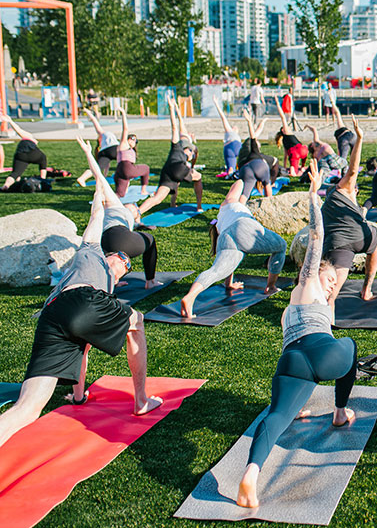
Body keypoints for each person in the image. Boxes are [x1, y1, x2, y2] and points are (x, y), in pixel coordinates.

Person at [0, 179, 162, 450]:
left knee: (28, 409)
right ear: (110, 254)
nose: (123, 262)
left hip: (55, 315)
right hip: (72, 302)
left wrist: (78, 398)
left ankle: (78, 396)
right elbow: (97, 216)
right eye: (122, 258)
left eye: (127, 265)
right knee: (138, 321)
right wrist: (99, 191)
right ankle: (141, 400)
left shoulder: (108, 292)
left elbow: (83, 348)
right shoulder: (90, 250)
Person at [236, 161, 357, 508]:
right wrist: (314, 193)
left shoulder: (294, 306)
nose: (333, 284)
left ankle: (251, 475)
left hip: (293, 359)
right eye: (330, 278)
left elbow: (306, 338)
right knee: (349, 346)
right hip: (322, 352)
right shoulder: (307, 283)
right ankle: (339, 410)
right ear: (315, 273)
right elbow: (317, 238)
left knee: (276, 416)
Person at [179, 178, 287, 318]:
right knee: (281, 246)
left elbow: (227, 267)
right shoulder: (229, 202)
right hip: (243, 225)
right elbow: (240, 183)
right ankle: (270, 286)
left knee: (217, 270)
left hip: (227, 237)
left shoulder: (221, 224)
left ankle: (190, 297)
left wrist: (229, 284)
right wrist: (245, 179)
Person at [75, 138, 161, 290]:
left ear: (135, 217)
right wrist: (88, 153)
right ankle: (150, 281)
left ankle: (113, 278)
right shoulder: (115, 204)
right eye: (135, 206)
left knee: (118, 257)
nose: (134, 206)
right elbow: (99, 177)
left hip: (105, 244)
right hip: (116, 238)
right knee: (150, 241)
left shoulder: (116, 210)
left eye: (136, 209)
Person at [321, 117, 377, 304]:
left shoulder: (334, 202)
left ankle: (327, 311)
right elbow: (353, 170)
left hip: (338, 245)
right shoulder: (343, 189)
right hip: (355, 239)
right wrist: (360, 138)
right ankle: (366, 288)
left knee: (332, 295)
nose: (356, 188)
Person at [138, 94, 203, 215]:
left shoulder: (177, 147)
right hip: (179, 168)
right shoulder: (180, 142)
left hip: (167, 171)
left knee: (158, 198)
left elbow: (176, 125)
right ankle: (199, 206)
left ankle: (137, 212)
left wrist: (174, 108)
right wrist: (172, 108)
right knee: (198, 177)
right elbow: (175, 126)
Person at [1, 114, 47, 191]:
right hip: (33, 153)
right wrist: (10, 121)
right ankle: (42, 180)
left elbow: (18, 130)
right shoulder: (30, 137)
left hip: (21, 154)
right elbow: (19, 130)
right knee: (43, 159)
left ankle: (6, 185)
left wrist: (10, 121)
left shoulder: (27, 138)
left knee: (15, 173)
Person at [111, 110, 150, 198]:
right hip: (125, 168)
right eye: (131, 138)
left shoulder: (129, 149)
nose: (133, 141)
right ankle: (143, 190)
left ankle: (104, 200)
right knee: (146, 168)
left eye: (135, 140)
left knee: (120, 194)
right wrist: (124, 114)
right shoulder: (123, 145)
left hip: (120, 172)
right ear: (127, 139)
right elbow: (125, 129)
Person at [76, 108, 119, 186]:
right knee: (125, 161)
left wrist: (104, 177)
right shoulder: (103, 134)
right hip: (114, 148)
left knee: (97, 168)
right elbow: (94, 121)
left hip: (105, 152)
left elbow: (107, 166)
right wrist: (88, 112)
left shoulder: (101, 147)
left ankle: (82, 178)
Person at [275, 105, 309, 177]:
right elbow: (283, 118)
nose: (289, 128)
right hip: (304, 151)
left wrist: (284, 168)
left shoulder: (284, 141)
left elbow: (285, 157)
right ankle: (302, 168)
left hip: (295, 154)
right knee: (300, 166)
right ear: (283, 130)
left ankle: (295, 170)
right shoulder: (287, 132)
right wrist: (278, 104)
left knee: (294, 173)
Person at [214, 96, 242, 178]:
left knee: (231, 169)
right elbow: (223, 117)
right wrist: (216, 104)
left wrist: (216, 103)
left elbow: (223, 117)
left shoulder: (231, 133)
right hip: (236, 146)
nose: (234, 127)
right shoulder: (230, 132)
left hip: (229, 148)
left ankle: (231, 173)